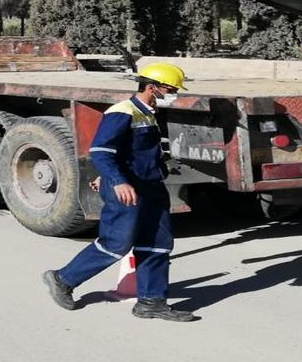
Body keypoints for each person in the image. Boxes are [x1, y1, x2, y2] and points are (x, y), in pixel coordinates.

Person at [43, 62, 197, 322]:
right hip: (127, 190)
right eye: (169, 89)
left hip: (151, 188)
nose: (173, 93)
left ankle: (151, 302)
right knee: (116, 244)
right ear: (151, 87)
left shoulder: (148, 112)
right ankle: (62, 279)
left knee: (157, 245)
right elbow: (102, 151)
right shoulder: (122, 112)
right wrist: (115, 180)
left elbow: (130, 152)